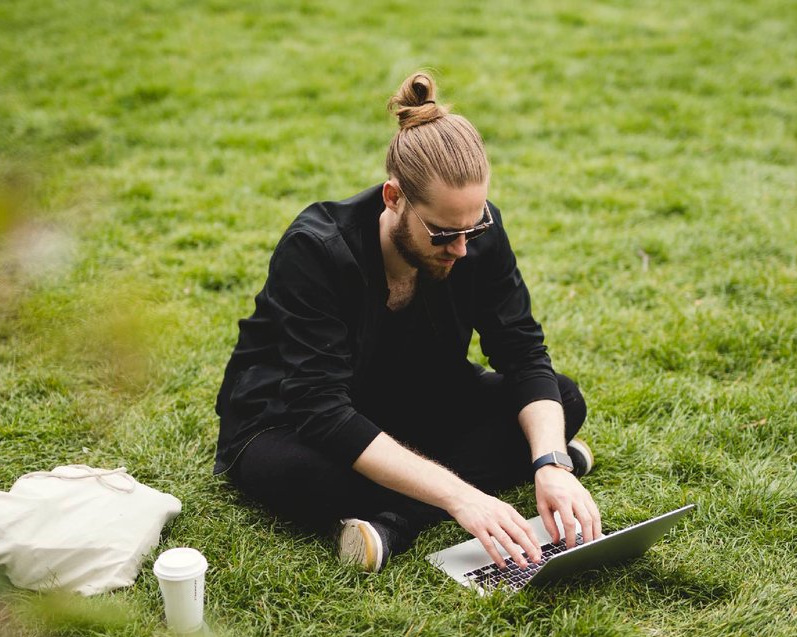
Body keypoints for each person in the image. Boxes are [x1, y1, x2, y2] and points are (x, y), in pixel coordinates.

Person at [212, 71, 602, 573]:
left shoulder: (475, 234)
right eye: (443, 233)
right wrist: (463, 497)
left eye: (474, 225)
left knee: (561, 400)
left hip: (409, 398)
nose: (463, 247)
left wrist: (551, 463)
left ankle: (400, 518)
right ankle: (462, 484)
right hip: (289, 416)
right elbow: (323, 411)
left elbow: (523, 352)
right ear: (393, 197)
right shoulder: (315, 249)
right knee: (311, 481)